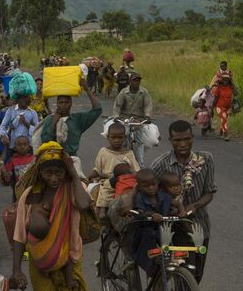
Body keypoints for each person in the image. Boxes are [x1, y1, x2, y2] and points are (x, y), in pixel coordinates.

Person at [11, 141, 91, 291]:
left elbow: (84, 204)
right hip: (39, 260)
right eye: (48, 173)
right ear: (39, 173)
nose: (54, 178)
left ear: (65, 171)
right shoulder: (30, 196)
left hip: (70, 257)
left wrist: (74, 175)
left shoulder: (73, 189)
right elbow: (20, 234)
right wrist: (16, 269)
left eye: (59, 173)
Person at [150, 120, 216, 282]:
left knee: (196, 275)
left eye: (187, 139)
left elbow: (209, 192)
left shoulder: (206, 159)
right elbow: (147, 190)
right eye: (177, 140)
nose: (183, 144)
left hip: (199, 226)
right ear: (170, 140)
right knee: (180, 274)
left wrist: (194, 205)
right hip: (171, 228)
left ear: (193, 137)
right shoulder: (160, 164)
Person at [89, 122, 140, 219]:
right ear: (108, 137)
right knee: (104, 189)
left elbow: (136, 171)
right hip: (107, 181)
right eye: (113, 137)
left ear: (125, 137)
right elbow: (97, 169)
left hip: (125, 181)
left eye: (120, 137)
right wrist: (89, 176)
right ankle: (102, 209)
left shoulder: (129, 153)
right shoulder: (103, 152)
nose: (117, 140)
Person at [39, 78, 102, 157]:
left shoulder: (78, 119)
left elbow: (97, 110)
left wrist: (87, 90)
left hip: (72, 158)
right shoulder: (50, 119)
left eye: (66, 102)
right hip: (53, 157)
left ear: (71, 103)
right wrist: (54, 123)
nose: (63, 105)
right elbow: (45, 140)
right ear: (57, 104)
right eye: (61, 102)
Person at [129, 169, 172, 276]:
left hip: (162, 227)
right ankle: (152, 266)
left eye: (153, 184)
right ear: (139, 187)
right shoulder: (139, 197)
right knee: (148, 238)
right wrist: (151, 215)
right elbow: (140, 212)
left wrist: (179, 210)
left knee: (171, 240)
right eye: (146, 186)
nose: (151, 188)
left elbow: (173, 204)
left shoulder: (164, 195)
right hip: (145, 228)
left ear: (158, 183)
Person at [113, 72, 152, 167]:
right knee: (125, 135)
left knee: (139, 140)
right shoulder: (123, 92)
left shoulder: (144, 92)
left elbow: (148, 105)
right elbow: (117, 105)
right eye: (134, 80)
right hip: (125, 118)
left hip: (138, 119)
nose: (137, 82)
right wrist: (116, 116)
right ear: (130, 81)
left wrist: (147, 116)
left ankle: (141, 163)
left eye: (138, 80)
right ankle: (122, 159)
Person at [4, 136, 35, 202]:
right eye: (19, 145)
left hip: (32, 190)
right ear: (15, 148)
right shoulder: (12, 161)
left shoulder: (33, 159)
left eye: (25, 144)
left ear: (29, 146)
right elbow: (7, 177)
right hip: (18, 191)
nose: (22, 147)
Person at [211, 74, 236, 141]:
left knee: (224, 120)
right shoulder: (218, 88)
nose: (225, 80)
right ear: (221, 80)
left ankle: (221, 131)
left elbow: (236, 93)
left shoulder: (230, 87)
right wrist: (212, 109)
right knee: (224, 119)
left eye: (227, 79)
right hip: (219, 106)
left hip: (228, 107)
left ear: (229, 80)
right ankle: (226, 134)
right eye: (224, 79)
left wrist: (233, 84)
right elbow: (215, 99)